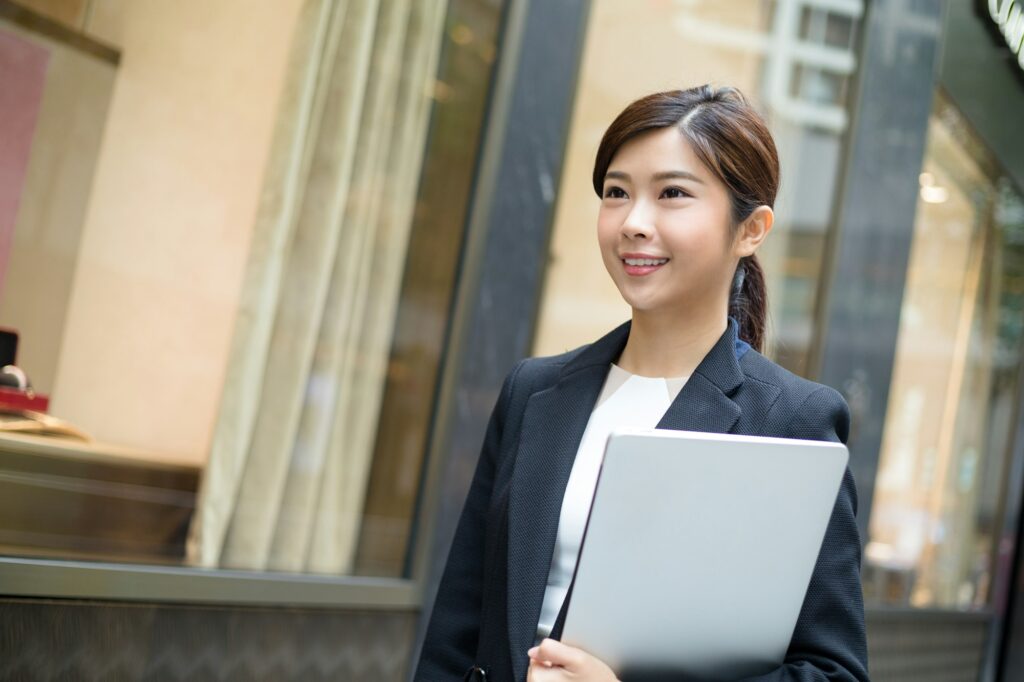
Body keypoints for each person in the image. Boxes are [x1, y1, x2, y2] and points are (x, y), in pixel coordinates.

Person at [415, 85, 869, 682]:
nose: (633, 222)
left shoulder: (794, 418)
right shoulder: (534, 391)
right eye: (616, 193)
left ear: (752, 229)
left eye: (673, 193)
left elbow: (831, 671)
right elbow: (458, 629)